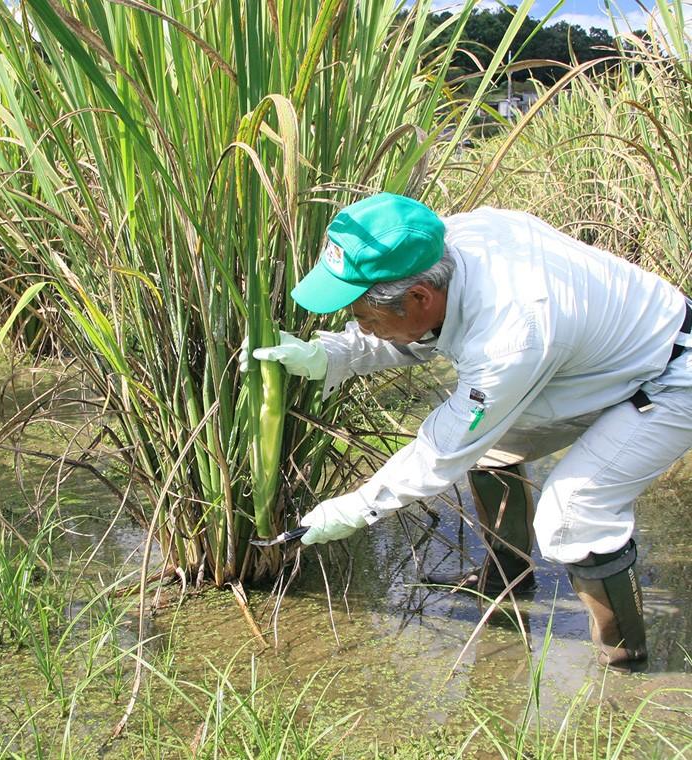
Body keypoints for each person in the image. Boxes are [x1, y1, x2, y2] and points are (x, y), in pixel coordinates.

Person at [246, 192, 692, 671]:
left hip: (667, 377)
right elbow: (418, 330)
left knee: (574, 513)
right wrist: (327, 355)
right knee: (493, 446)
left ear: (419, 295)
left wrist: (357, 507)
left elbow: (442, 450)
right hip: (585, 363)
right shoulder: (435, 248)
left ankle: (626, 663)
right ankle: (508, 578)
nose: (361, 325)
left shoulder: (511, 330)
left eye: (360, 316)